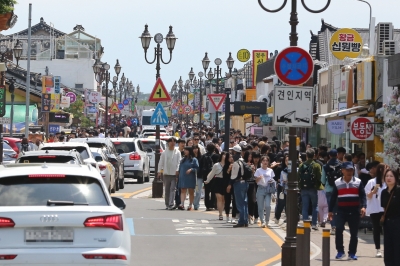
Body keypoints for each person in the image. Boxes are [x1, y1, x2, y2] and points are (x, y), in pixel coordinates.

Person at [328, 161, 367, 260]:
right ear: (342, 171)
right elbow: (333, 198)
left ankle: (352, 253)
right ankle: (340, 251)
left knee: (354, 234)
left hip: (354, 211)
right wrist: (330, 211)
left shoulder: (358, 182)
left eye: (351, 170)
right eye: (347, 170)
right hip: (341, 211)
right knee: (339, 230)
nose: (350, 172)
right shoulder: (337, 182)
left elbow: (363, 196)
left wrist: (363, 206)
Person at [365, 163, 388, 258]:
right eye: (386, 169)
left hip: (386, 210)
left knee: (387, 230)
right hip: (375, 209)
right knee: (377, 229)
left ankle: (387, 248)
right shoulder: (371, 182)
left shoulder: (388, 181)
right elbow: (367, 196)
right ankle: (378, 249)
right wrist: (373, 192)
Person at [298, 148, 322, 230]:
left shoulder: (301, 165)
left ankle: (305, 223)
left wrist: (300, 186)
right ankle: (314, 224)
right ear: (314, 155)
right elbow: (320, 177)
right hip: (313, 188)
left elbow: (298, 177)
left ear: (307, 156)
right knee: (315, 206)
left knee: (305, 206)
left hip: (304, 188)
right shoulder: (316, 165)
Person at [380, 168, 400, 266]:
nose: (388, 178)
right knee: (388, 248)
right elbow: (384, 208)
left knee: (397, 248)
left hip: (398, 223)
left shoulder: (399, 191)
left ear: (396, 178)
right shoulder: (383, 192)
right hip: (387, 224)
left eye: (391, 176)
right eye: (387, 176)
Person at [227, 145, 249, 227]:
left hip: (238, 184)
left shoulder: (236, 163)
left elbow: (233, 176)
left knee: (240, 203)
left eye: (233, 152)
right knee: (245, 203)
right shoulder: (243, 161)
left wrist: (229, 184)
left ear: (235, 152)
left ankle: (241, 221)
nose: (232, 154)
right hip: (245, 183)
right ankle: (245, 220)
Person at [321, 149, 342, 234]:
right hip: (340, 189)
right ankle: (340, 226)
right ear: (337, 155)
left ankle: (333, 227)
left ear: (329, 156)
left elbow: (322, 180)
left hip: (329, 189)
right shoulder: (341, 165)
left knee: (331, 209)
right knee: (340, 209)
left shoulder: (325, 166)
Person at [158, 137, 181, 210]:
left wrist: (177, 170)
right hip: (166, 173)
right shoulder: (164, 152)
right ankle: (167, 204)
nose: (173, 143)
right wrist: (159, 171)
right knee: (167, 190)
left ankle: (171, 204)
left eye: (174, 142)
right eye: (171, 141)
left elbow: (179, 162)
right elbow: (161, 162)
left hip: (174, 174)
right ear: (168, 143)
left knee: (172, 189)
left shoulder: (177, 152)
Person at [254, 156, 275, 228]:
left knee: (268, 206)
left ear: (268, 162)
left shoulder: (270, 171)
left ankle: (267, 221)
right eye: (264, 161)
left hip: (268, 189)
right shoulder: (258, 170)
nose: (265, 162)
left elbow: (272, 180)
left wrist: (272, 183)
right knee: (260, 207)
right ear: (261, 162)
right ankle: (262, 221)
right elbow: (256, 182)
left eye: (266, 161)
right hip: (260, 189)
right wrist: (258, 178)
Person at [205, 152, 226, 220]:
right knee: (219, 198)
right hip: (218, 181)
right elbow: (212, 173)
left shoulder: (229, 165)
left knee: (223, 199)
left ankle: (222, 211)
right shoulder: (216, 165)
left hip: (225, 182)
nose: (225, 156)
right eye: (224, 155)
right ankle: (220, 214)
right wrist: (208, 180)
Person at [177, 146, 199, 210]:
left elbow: (197, 168)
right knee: (183, 190)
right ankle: (182, 204)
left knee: (191, 191)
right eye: (184, 150)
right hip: (183, 177)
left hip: (191, 177)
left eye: (186, 150)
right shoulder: (183, 160)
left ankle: (190, 205)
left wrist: (191, 169)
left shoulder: (194, 160)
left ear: (190, 151)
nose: (185, 151)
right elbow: (180, 168)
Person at [199, 143, 218, 211]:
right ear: (214, 149)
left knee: (206, 190)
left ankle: (207, 205)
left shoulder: (203, 156)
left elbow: (200, 166)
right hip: (213, 175)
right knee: (213, 190)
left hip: (205, 175)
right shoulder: (216, 156)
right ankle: (212, 204)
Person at [223, 152, 237, 223]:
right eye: (229, 157)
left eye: (232, 157)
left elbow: (235, 176)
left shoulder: (235, 165)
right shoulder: (225, 166)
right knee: (227, 201)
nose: (231, 158)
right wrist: (229, 169)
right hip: (226, 185)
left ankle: (233, 217)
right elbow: (225, 176)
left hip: (234, 185)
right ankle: (227, 216)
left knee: (234, 201)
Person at [274, 154, 288, 224]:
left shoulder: (295, 169)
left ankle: (288, 218)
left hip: (290, 189)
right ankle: (277, 217)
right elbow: (276, 178)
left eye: (289, 160)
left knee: (289, 204)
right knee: (281, 203)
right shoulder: (280, 169)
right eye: (286, 160)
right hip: (282, 188)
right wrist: (280, 180)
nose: (287, 162)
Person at [193, 145, 203, 210]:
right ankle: (191, 203)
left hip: (199, 176)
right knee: (191, 191)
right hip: (191, 176)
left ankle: (196, 204)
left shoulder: (201, 157)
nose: (195, 150)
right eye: (194, 148)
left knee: (198, 191)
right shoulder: (190, 157)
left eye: (196, 148)